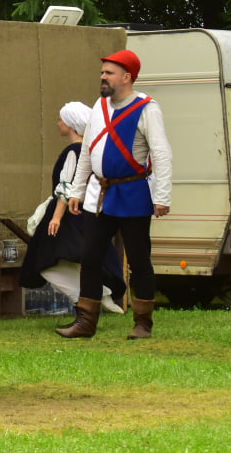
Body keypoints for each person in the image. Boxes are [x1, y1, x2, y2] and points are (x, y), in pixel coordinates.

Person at [58, 50, 172, 341]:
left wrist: (162, 196)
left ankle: (143, 324)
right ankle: (85, 322)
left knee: (139, 260)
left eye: (109, 73)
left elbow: (160, 153)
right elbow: (88, 151)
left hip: (133, 192)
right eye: (102, 72)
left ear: (127, 77)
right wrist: (77, 190)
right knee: (90, 257)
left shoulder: (147, 108)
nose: (103, 77)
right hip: (99, 194)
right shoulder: (100, 106)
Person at [19, 102, 126, 314]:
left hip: (68, 215)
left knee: (45, 262)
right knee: (72, 258)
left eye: (61, 120)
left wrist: (56, 217)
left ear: (72, 124)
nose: (58, 123)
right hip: (82, 214)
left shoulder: (73, 152)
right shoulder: (88, 151)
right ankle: (96, 295)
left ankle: (91, 296)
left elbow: (66, 187)